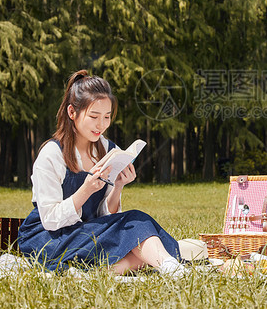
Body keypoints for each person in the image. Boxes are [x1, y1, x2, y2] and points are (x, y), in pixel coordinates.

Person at [18, 70, 187, 277]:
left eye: (107, 117)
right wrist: (86, 190)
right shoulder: (52, 154)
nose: (101, 125)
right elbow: (50, 219)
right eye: (94, 116)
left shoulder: (107, 148)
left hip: (87, 231)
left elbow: (106, 217)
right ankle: (171, 267)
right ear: (72, 113)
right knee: (137, 232)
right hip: (50, 237)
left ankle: (157, 266)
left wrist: (118, 186)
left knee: (138, 229)